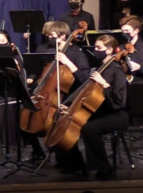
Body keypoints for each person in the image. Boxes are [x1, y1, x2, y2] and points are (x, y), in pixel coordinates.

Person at [54, 35, 129, 179]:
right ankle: (75, 163)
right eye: (95, 47)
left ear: (109, 50)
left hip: (117, 115)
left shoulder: (116, 70)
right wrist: (70, 107)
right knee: (68, 122)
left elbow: (120, 100)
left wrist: (104, 84)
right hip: (101, 112)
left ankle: (104, 168)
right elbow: (85, 92)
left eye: (99, 48)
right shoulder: (99, 68)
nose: (95, 50)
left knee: (89, 128)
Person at [121, 15, 143, 83]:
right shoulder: (121, 46)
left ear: (136, 31)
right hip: (123, 84)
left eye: (127, 30)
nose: (124, 33)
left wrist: (140, 68)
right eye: (122, 31)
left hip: (140, 84)